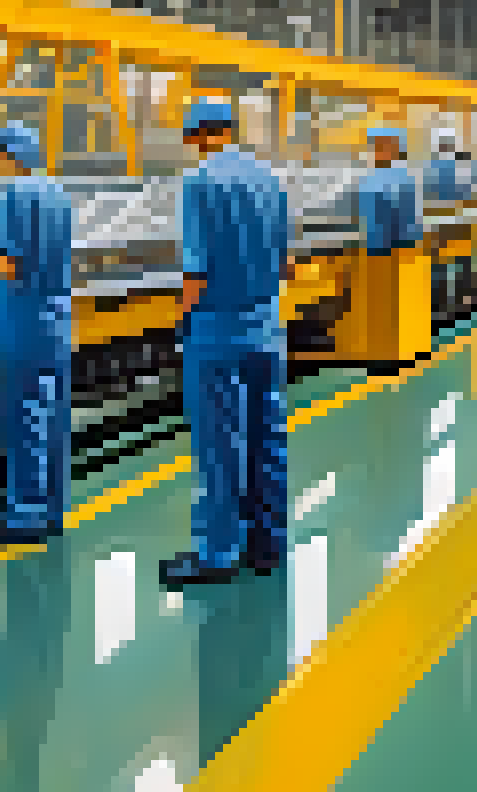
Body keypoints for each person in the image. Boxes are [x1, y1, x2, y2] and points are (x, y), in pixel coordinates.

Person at [163, 99, 291, 588]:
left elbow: (196, 271)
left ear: (196, 135)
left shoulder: (199, 183)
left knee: (220, 445)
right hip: (264, 328)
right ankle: (267, 542)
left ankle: (217, 552)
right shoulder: (269, 179)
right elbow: (284, 263)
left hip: (217, 331)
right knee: (268, 438)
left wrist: (183, 318)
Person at [0, 123, 76, 547]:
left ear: (9, 156)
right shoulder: (59, 195)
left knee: (27, 417)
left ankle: (26, 515)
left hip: (27, 319)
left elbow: (12, 265)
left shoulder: (15, 195)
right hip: (58, 319)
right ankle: (53, 509)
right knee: (55, 418)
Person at [358, 126, 422, 257]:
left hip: (402, 246)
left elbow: (409, 217)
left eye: (387, 145)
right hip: (376, 247)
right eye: (378, 146)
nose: (381, 151)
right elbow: (368, 219)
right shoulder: (368, 179)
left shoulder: (405, 178)